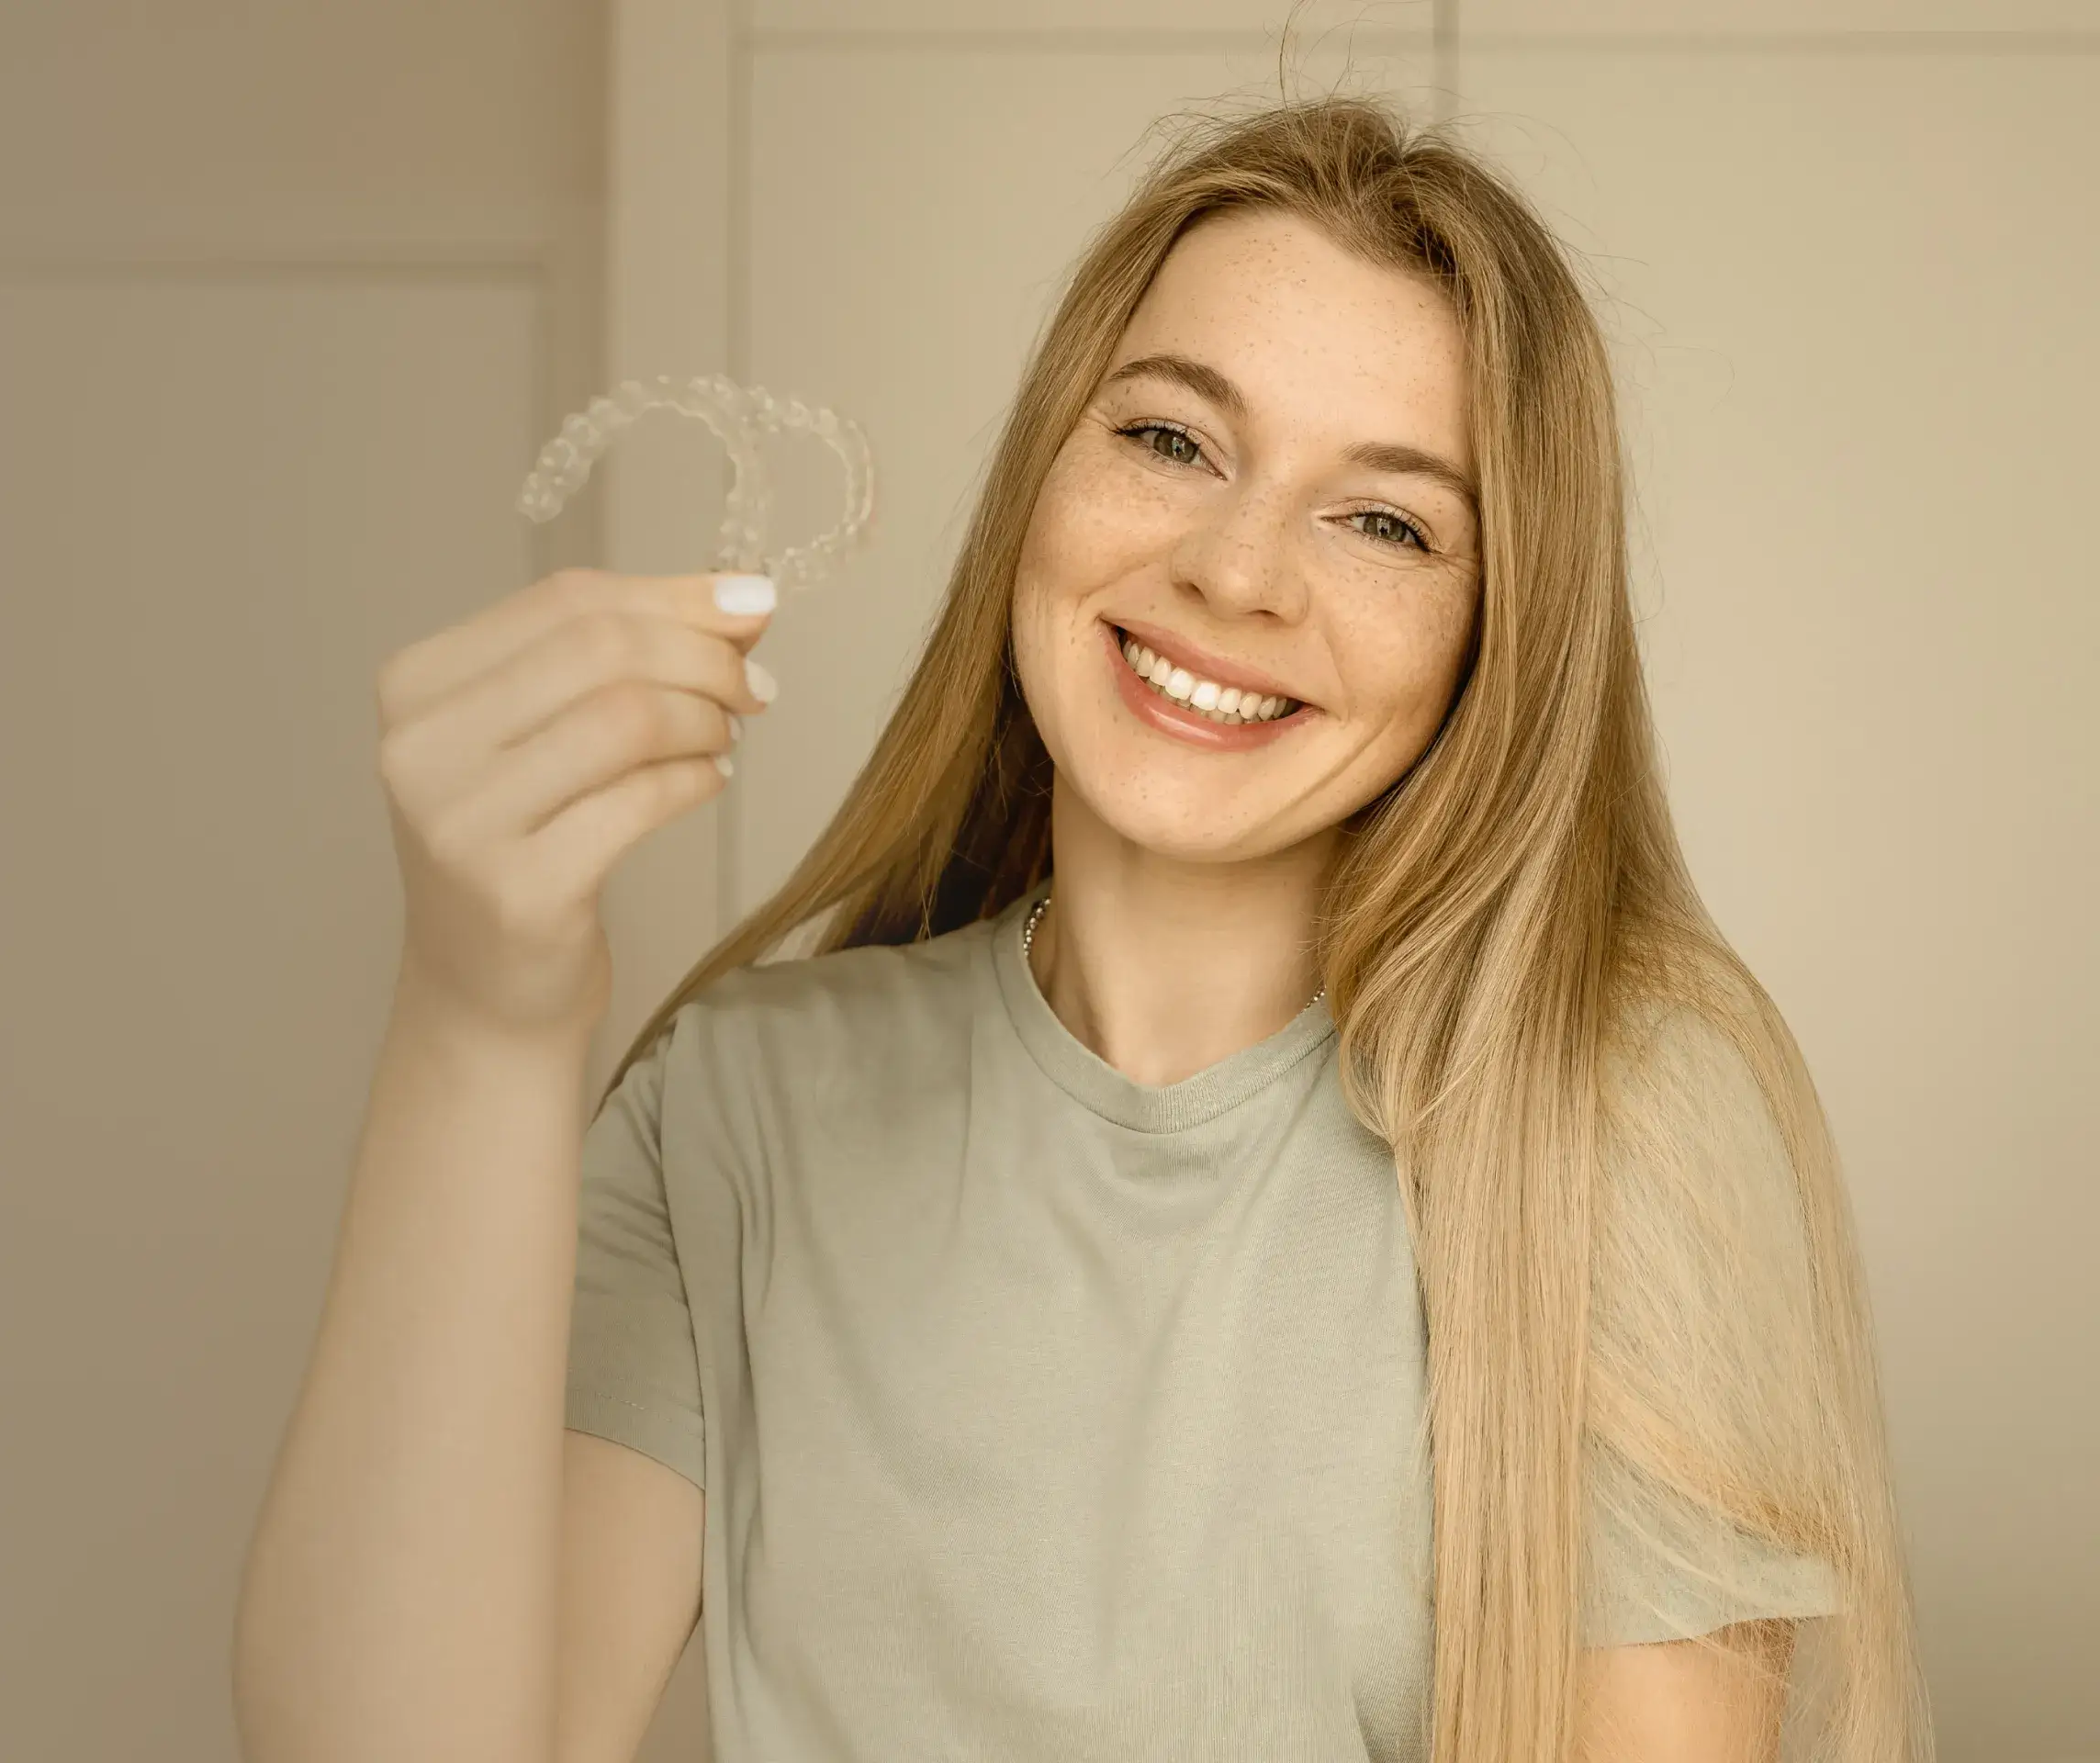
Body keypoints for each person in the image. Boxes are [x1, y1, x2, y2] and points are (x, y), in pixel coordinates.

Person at [230, 94, 1929, 1763]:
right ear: (1039, 480)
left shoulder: (1623, 1121)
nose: (1238, 571)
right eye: (1170, 438)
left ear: (1493, 643)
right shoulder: (735, 1108)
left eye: (1388, 521)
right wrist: (480, 1015)